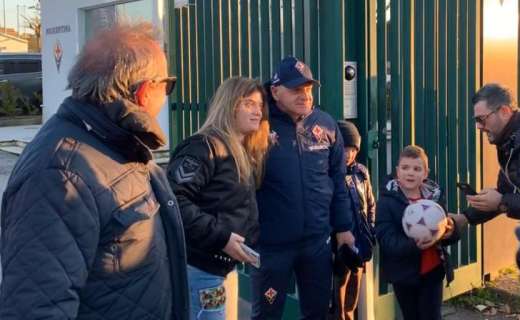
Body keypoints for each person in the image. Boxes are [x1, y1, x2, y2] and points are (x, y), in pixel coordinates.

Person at [0, 22, 188, 319]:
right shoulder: (60, 173)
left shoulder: (119, 143)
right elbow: (36, 306)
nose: (167, 93)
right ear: (142, 91)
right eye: (167, 83)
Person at [250, 56, 355, 319]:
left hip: (317, 245)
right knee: (267, 312)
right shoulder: (256, 125)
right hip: (271, 248)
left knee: (319, 312)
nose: (305, 95)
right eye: (296, 89)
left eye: (308, 89)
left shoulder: (327, 124)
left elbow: (338, 180)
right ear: (275, 91)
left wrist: (343, 228)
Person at [166, 77, 270, 320]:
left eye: (259, 105)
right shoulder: (203, 147)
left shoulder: (241, 150)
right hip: (201, 269)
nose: (257, 111)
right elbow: (175, 201)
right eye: (249, 104)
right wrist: (221, 237)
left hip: (224, 268)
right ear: (229, 104)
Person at [376, 145, 461, 320]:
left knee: (432, 315)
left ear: (425, 173)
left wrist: (450, 231)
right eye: (405, 168)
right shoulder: (386, 202)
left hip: (433, 271)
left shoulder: (434, 198)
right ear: (397, 172)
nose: (410, 173)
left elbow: (445, 228)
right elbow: (387, 239)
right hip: (405, 274)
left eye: (417, 169)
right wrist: (413, 245)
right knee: (412, 316)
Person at [463, 83, 520, 224]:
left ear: (504, 111)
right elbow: (505, 190)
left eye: (481, 119)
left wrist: (501, 202)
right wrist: (464, 218)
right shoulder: (510, 140)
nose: (478, 126)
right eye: (476, 120)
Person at [329, 120, 376, 320]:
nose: (348, 154)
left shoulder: (361, 172)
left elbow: (371, 203)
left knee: (354, 287)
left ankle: (349, 315)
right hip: (338, 245)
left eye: (352, 149)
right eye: (344, 149)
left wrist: (371, 229)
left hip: (359, 240)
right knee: (338, 285)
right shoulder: (329, 174)